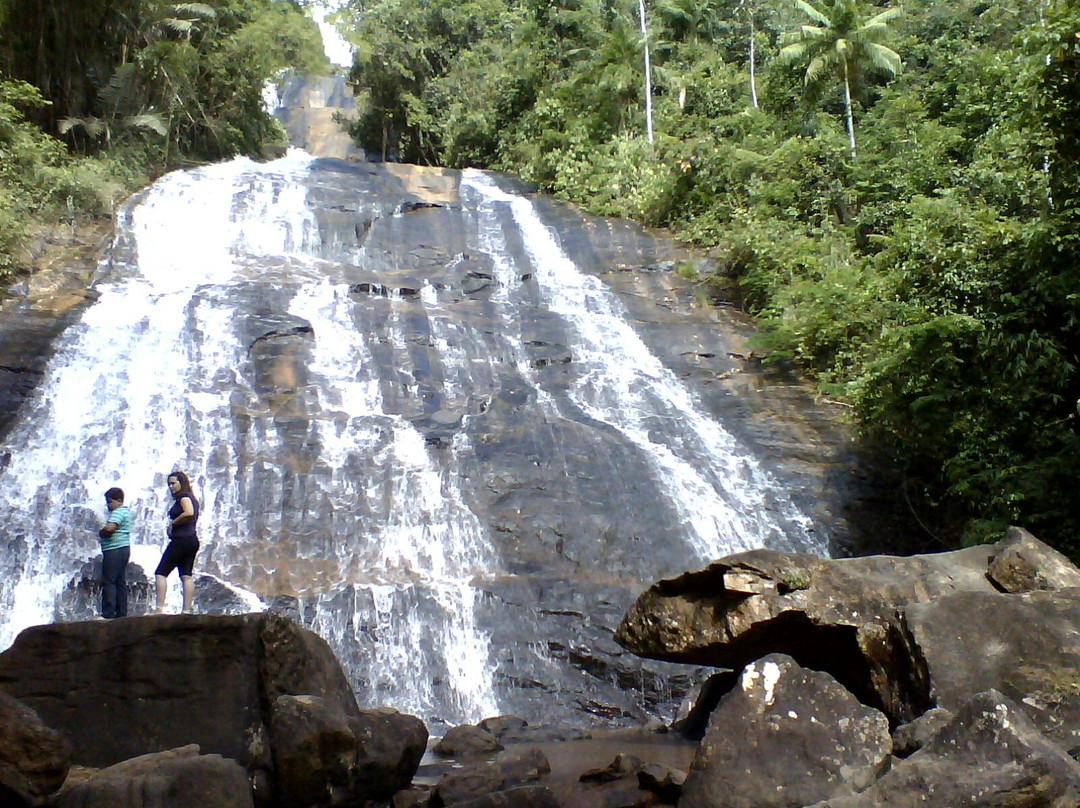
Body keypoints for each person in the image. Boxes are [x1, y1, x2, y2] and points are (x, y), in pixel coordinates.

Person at [154, 470, 200, 614]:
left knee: (161, 573)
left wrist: (173, 523)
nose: (171, 487)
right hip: (192, 540)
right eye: (169, 484)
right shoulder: (192, 498)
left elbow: (189, 512)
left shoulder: (184, 497)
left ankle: (159, 609)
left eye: (174, 483)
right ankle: (186, 610)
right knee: (186, 575)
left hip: (181, 540)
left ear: (182, 482)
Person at [98, 487, 131, 619]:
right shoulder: (125, 512)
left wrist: (102, 532)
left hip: (114, 550)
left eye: (109, 502)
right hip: (124, 549)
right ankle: (121, 613)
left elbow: (110, 528)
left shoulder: (118, 512)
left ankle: (108, 613)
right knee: (119, 581)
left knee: (109, 581)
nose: (107, 505)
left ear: (118, 500)